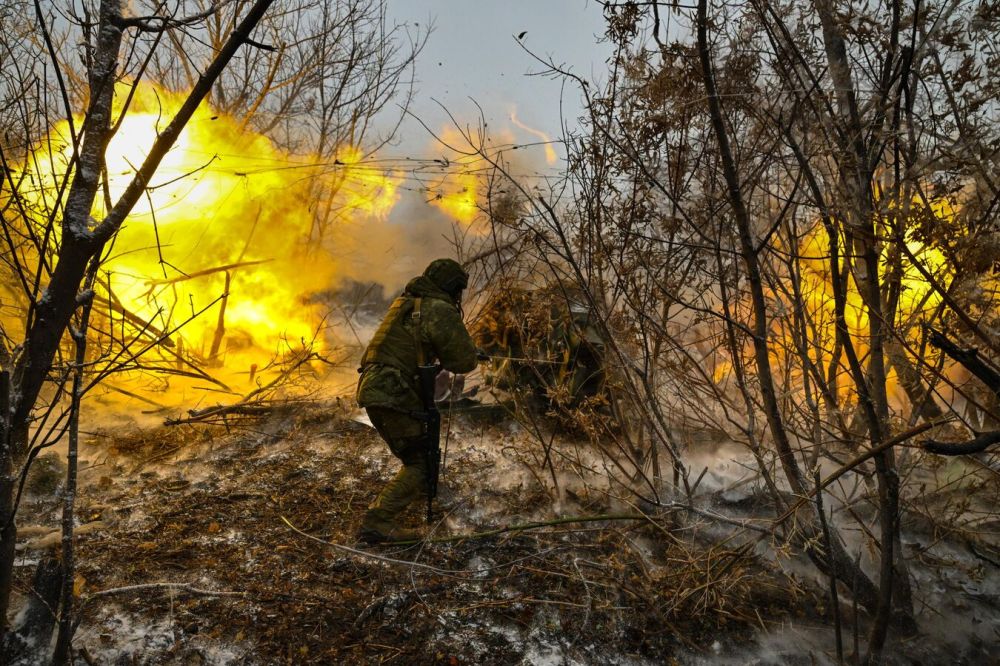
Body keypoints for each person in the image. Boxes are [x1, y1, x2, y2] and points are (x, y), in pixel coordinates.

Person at [355, 258, 478, 543]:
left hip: (377, 388)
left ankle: (422, 492)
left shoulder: (407, 304)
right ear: (452, 288)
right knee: (420, 463)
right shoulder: (438, 309)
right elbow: (463, 360)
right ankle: (378, 523)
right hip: (392, 392)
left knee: (417, 453)